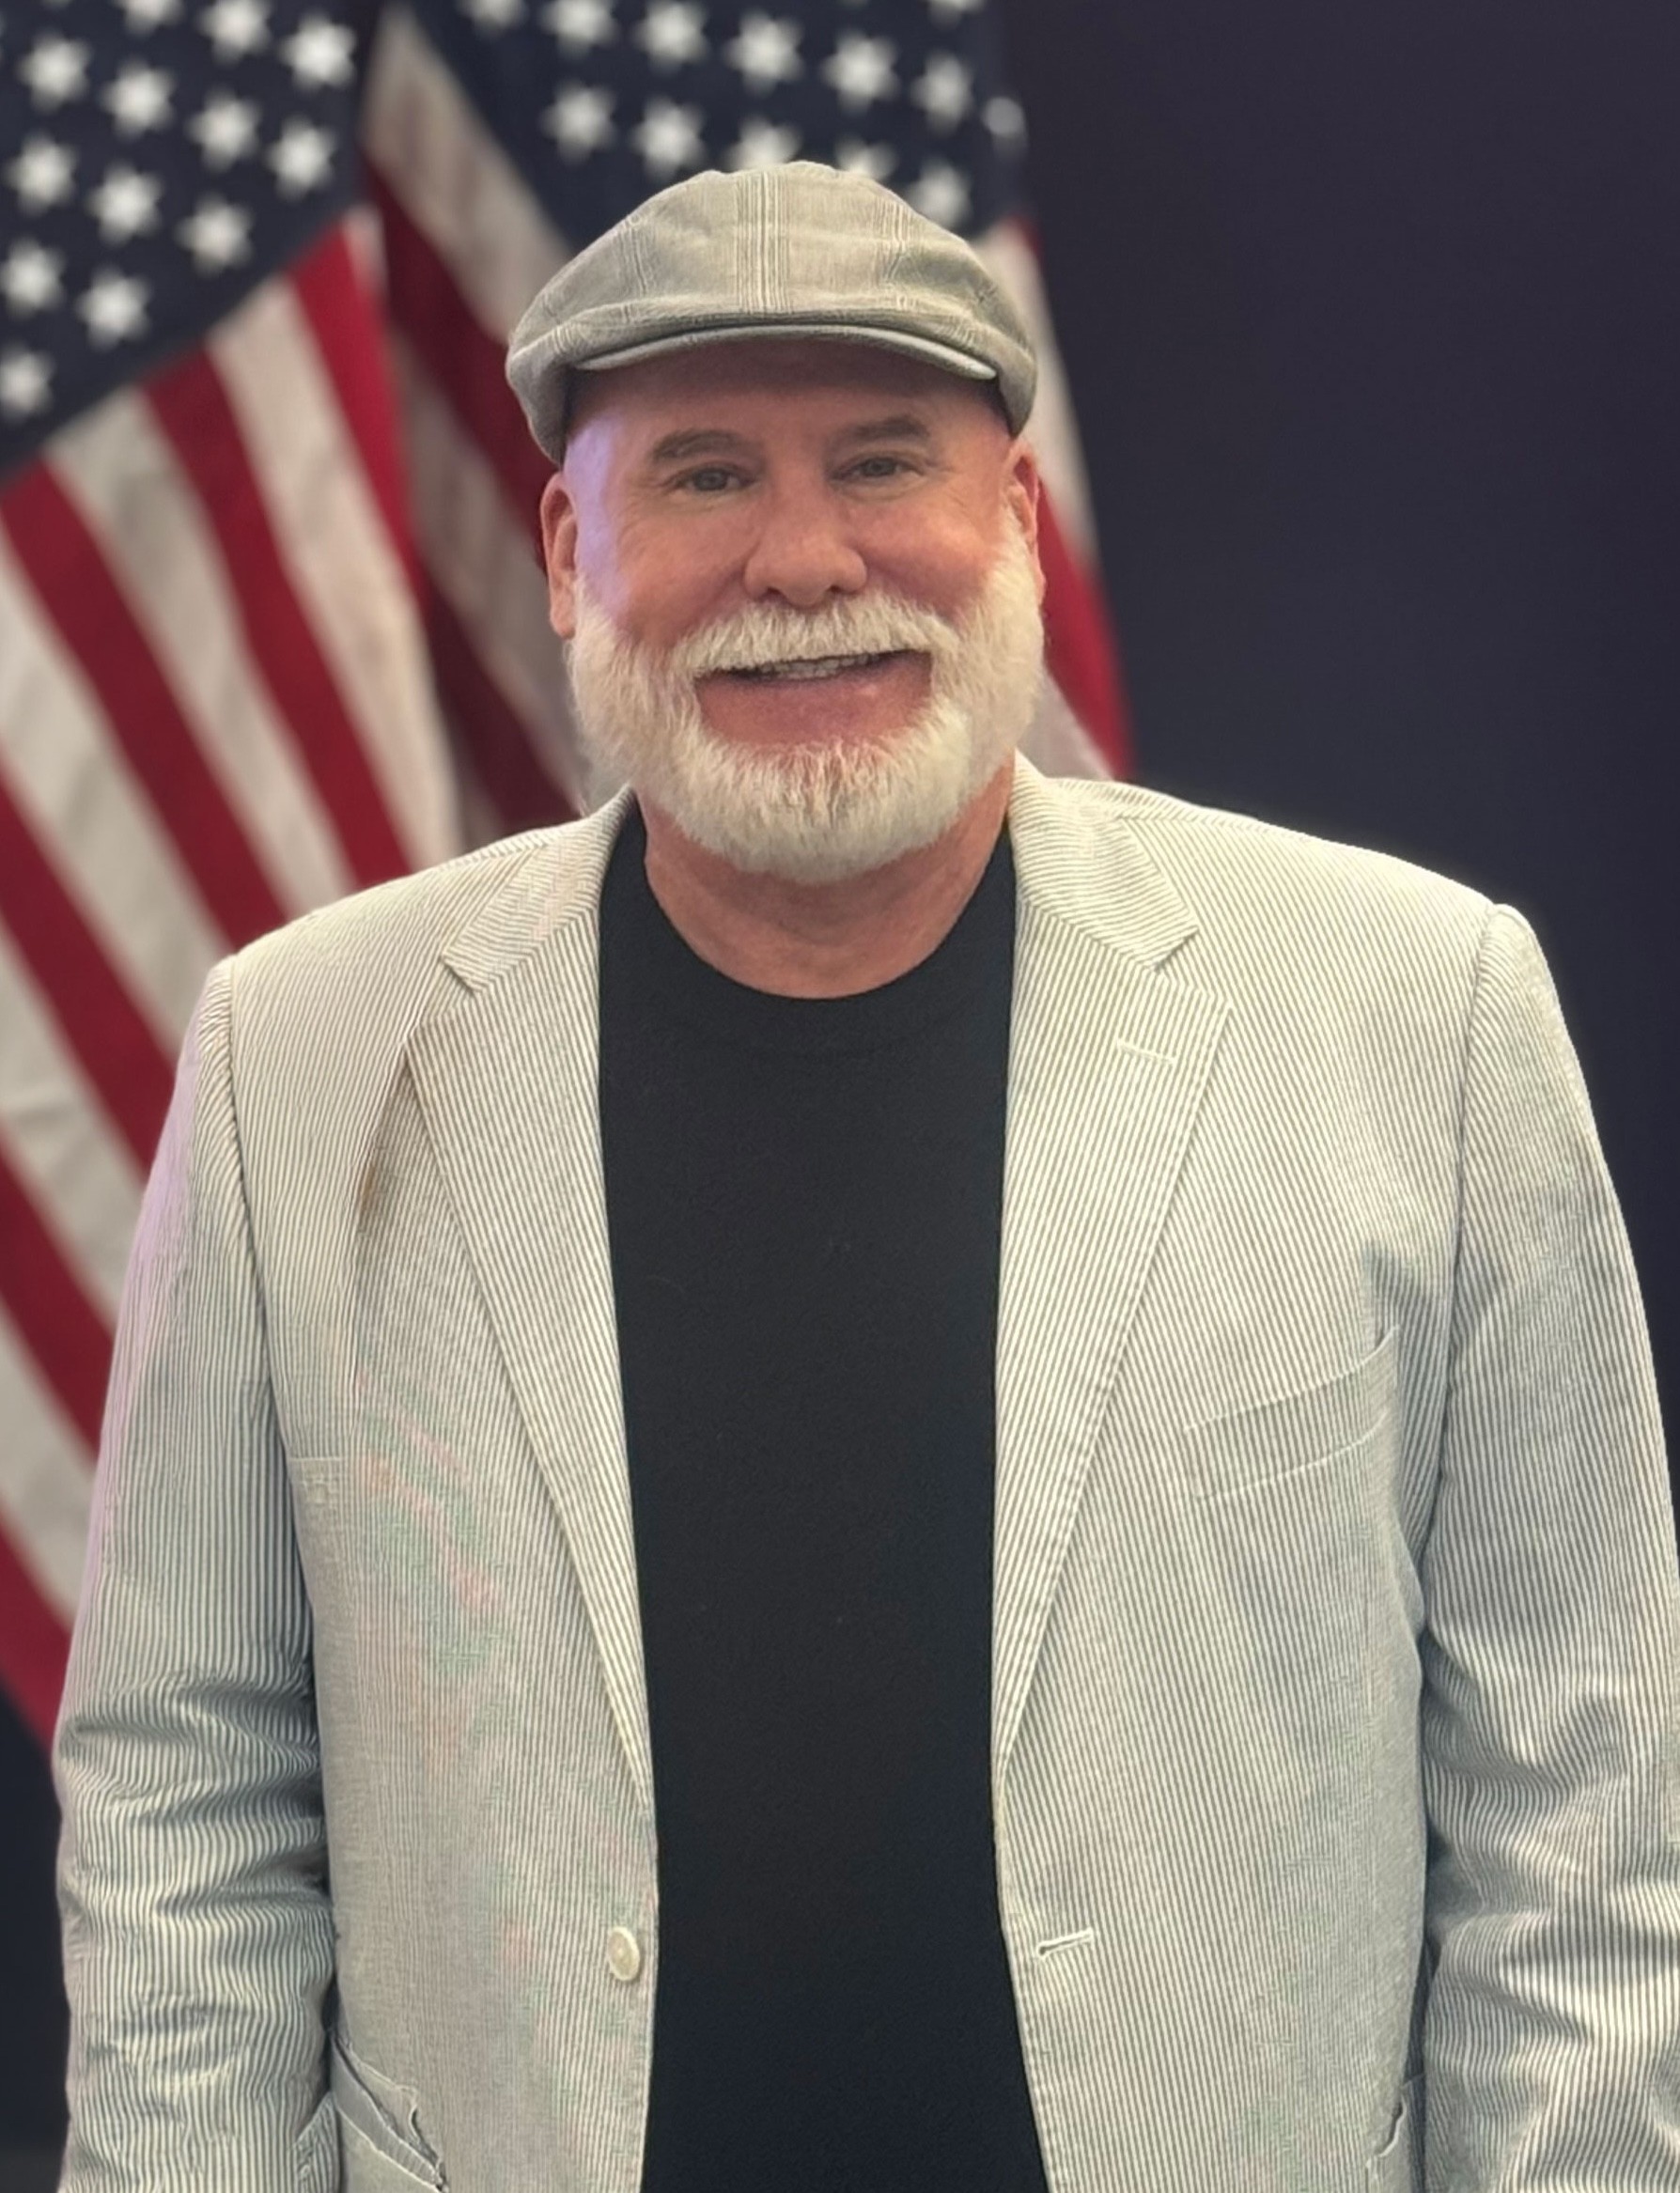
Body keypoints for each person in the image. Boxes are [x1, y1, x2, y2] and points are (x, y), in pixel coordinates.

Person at [52, 161, 1680, 2193]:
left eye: (883, 460)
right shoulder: (295, 1053)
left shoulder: (1417, 1016)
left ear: (1012, 518)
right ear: (569, 551)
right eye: (707, 476)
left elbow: (1582, 1803)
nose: (804, 559)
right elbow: (189, 1792)